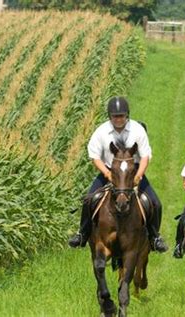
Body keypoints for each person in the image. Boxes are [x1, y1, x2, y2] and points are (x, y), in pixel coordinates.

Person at [68, 96, 168, 252]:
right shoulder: (101, 132)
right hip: (110, 171)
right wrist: (106, 173)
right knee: (89, 200)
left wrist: (139, 175)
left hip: (132, 172)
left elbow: (145, 156)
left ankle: (154, 237)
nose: (118, 119)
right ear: (110, 116)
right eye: (115, 116)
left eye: (121, 116)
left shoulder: (137, 130)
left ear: (127, 115)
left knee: (155, 203)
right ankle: (82, 233)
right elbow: (94, 156)